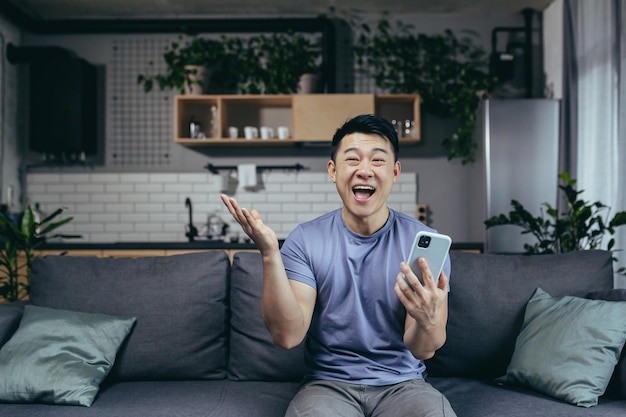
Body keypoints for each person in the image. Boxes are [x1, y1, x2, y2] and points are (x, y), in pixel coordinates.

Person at [220, 114, 456, 417]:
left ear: (395, 172)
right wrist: (269, 254)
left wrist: (427, 318)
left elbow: (424, 349)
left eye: (378, 161)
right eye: (353, 159)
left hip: (403, 385)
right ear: (333, 170)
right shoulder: (306, 240)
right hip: (328, 385)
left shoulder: (425, 244)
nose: (365, 171)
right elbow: (287, 336)